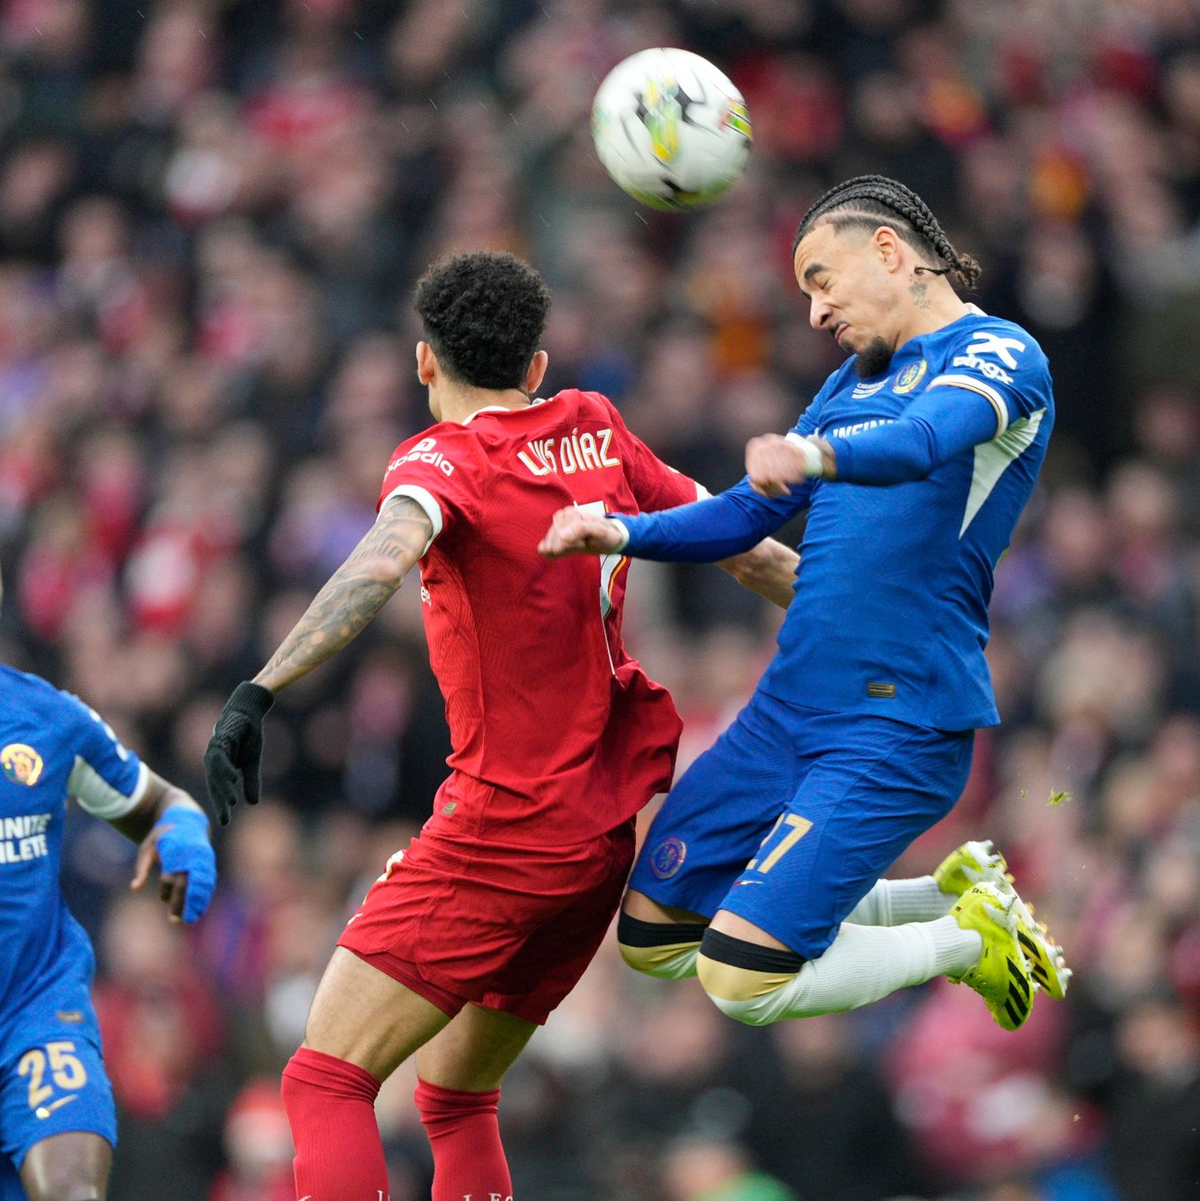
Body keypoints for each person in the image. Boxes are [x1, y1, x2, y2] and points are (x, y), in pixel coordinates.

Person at [203, 250, 797, 1201]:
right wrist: (857, 626)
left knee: (324, 1077)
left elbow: (376, 563)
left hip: (503, 830)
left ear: (424, 362)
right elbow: (736, 540)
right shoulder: (596, 428)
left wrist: (262, 687)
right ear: (537, 367)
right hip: (598, 841)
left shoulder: (442, 461)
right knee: (456, 1093)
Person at [540, 175, 1072, 1035]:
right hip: (787, 709)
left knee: (740, 978)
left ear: (890, 252)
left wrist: (814, 455)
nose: (816, 312)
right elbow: (745, 511)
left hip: (895, 721)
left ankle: (968, 941)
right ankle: (939, 893)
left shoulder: (1002, 355)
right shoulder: (848, 384)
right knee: (650, 935)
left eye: (822, 280)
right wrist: (622, 532)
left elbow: (924, 440)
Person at [0, 567, 217, 1201]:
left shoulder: (45, 719)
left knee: (71, 1190)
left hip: (33, 1014)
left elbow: (158, 803)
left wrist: (181, 833)